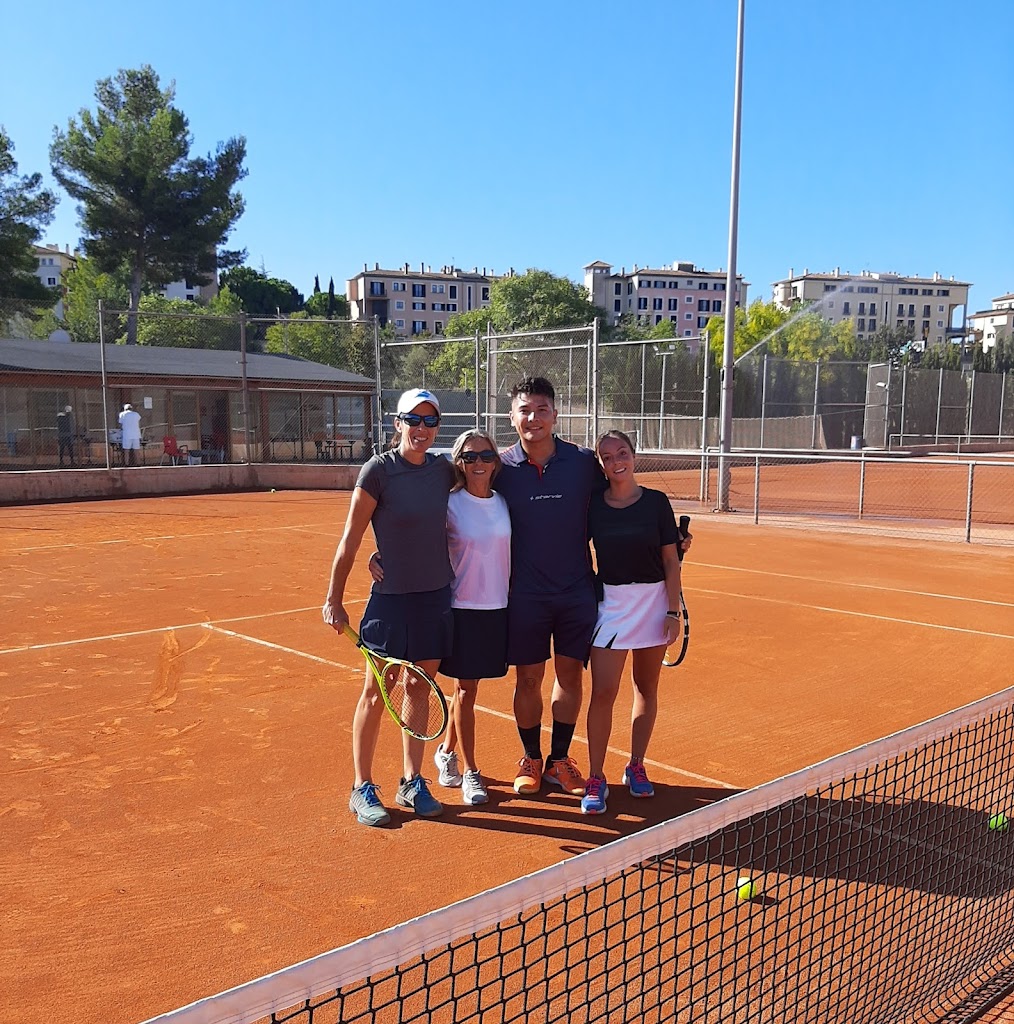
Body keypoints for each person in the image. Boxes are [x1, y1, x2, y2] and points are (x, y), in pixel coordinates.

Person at [322, 388, 455, 827]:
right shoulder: (378, 471)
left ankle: (412, 780)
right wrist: (334, 598)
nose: (421, 429)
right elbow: (351, 538)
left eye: (429, 421)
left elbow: (487, 476)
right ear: (396, 423)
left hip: (435, 596)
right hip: (390, 602)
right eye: (412, 420)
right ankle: (362, 787)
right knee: (378, 691)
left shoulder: (443, 470)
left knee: (419, 688)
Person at [494, 377, 604, 799]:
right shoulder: (500, 468)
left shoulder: (582, 462)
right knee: (528, 679)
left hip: (577, 592)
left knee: (570, 676)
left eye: (542, 409)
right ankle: (531, 759)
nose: (533, 418)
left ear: (555, 415)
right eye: (525, 410)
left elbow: (618, 502)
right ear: (512, 417)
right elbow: (454, 510)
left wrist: (666, 538)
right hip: (524, 595)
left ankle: (560, 760)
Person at [581, 430, 684, 815]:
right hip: (612, 607)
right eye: (606, 457)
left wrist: (672, 613)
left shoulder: (657, 503)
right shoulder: (593, 506)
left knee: (646, 686)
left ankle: (636, 765)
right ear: (601, 464)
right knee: (603, 692)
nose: (615, 461)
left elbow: (671, 560)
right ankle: (595, 777)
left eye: (621, 452)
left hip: (654, 604)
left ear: (633, 455)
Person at [431, 430, 511, 805]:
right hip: (462, 607)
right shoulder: (449, 504)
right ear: (459, 463)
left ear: (496, 461)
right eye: (469, 456)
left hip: (499, 607)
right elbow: (414, 533)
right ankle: (471, 772)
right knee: (467, 689)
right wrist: (381, 556)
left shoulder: (505, 503)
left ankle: (446, 752)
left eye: (485, 455)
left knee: (468, 688)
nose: (478, 462)